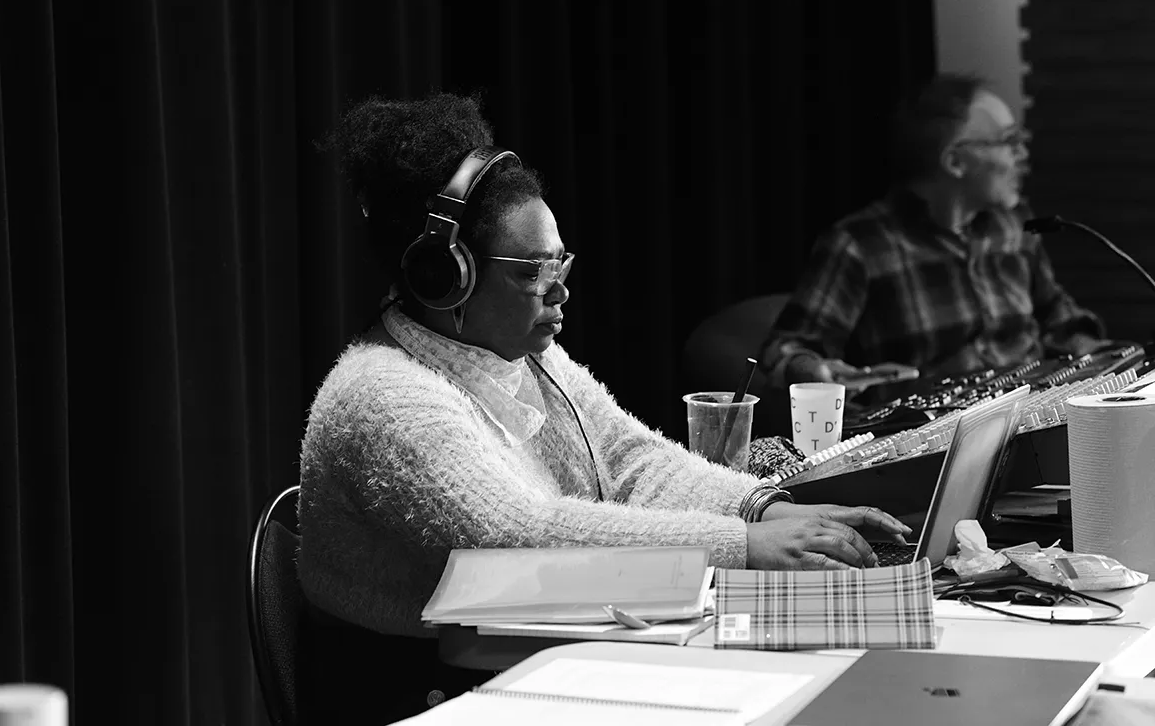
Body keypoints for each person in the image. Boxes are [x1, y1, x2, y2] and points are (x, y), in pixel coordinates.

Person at [298, 92, 911, 723]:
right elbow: (516, 539)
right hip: (421, 696)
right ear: (443, 276)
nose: (559, 290)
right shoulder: (384, 397)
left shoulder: (519, 352)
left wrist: (765, 508)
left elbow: (629, 461)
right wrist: (743, 544)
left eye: (559, 263)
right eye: (531, 273)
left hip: (520, 656)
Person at [760, 73, 1107, 395]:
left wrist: (1102, 361)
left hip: (1033, 409)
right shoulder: (860, 244)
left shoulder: (1014, 225)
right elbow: (784, 351)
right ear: (955, 162)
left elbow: (1059, 317)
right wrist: (812, 370)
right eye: (1009, 141)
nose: (1022, 154)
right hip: (932, 429)